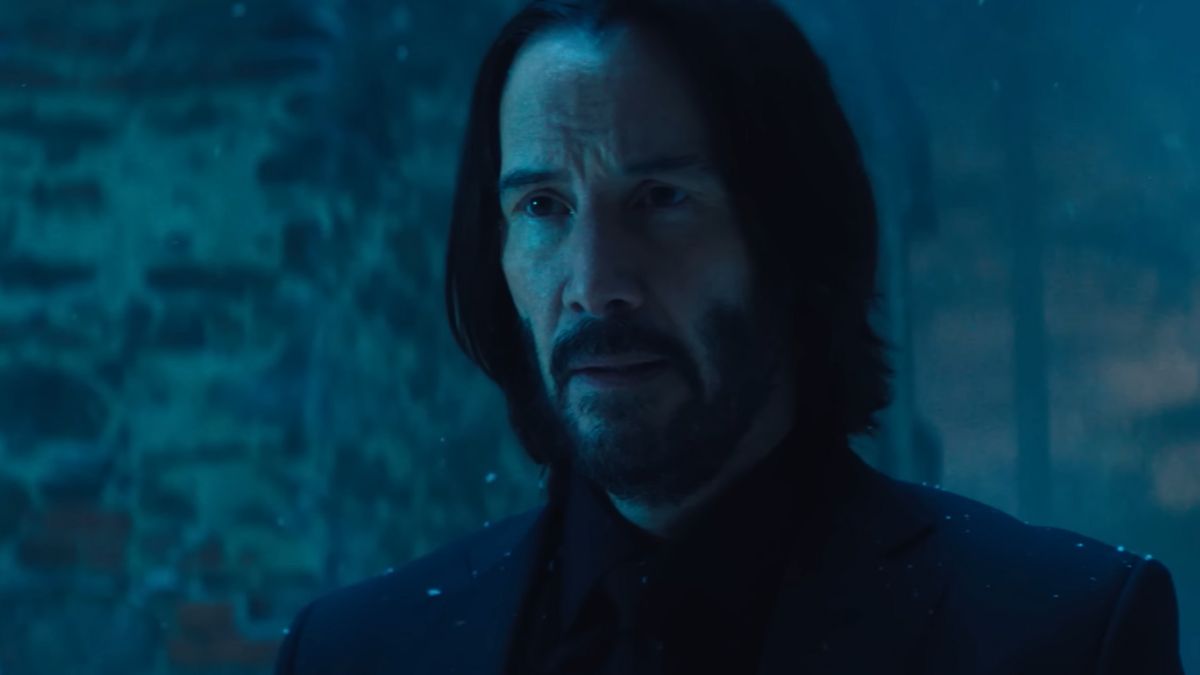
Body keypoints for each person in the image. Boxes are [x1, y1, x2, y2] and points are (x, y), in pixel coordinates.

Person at [273, 0, 1185, 672]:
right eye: (544, 207)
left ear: (790, 235)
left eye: (661, 198)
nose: (594, 282)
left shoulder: (1060, 640)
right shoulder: (357, 653)